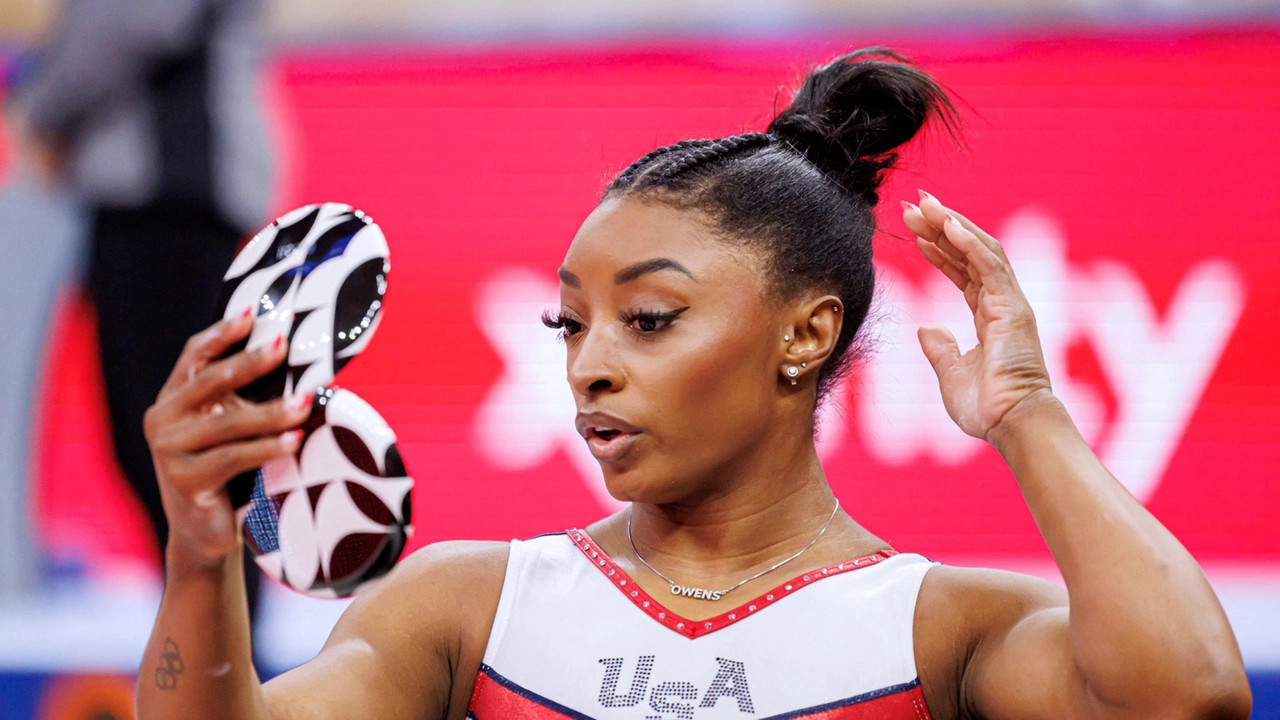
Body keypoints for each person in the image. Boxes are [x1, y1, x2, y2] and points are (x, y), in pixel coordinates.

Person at [134, 50, 1251, 720]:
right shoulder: (465, 607)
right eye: (566, 321)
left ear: (805, 334)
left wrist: (1025, 415)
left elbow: (1184, 692)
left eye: (649, 318)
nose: (589, 362)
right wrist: (198, 550)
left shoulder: (940, 627)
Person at [9, 0, 272, 608]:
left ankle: (225, 654)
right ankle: (211, 638)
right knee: (161, 441)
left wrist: (42, 106)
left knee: (179, 439)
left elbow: (135, 20)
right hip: (159, 200)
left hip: (167, 203)